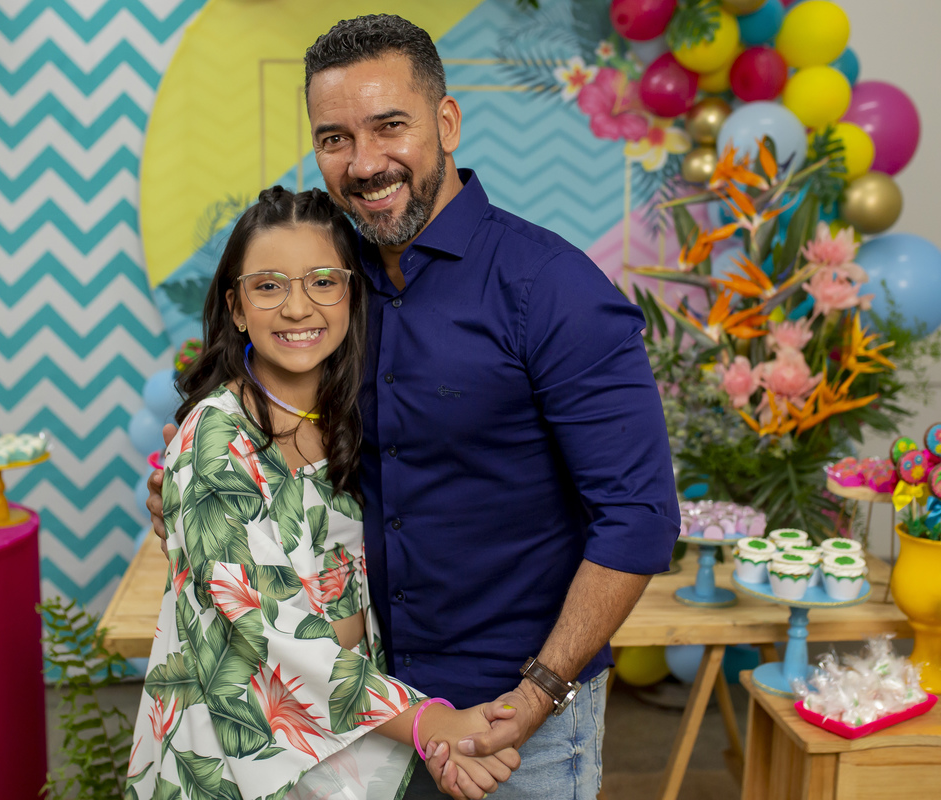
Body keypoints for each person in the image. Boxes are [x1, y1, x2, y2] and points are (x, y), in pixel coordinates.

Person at [146, 15, 681, 799]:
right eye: (335, 138)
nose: (365, 162)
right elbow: (264, 437)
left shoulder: (551, 288)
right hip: (368, 716)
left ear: (447, 123)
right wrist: (190, 487)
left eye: (389, 125)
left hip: (515, 718)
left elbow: (639, 517)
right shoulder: (331, 290)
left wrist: (537, 694)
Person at [126, 186, 520, 800]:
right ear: (236, 307)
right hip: (239, 745)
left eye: (322, 282)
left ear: (351, 295)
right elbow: (264, 625)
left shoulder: (351, 416)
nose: (296, 307)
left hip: (346, 726)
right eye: (268, 286)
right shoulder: (215, 437)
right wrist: (428, 722)